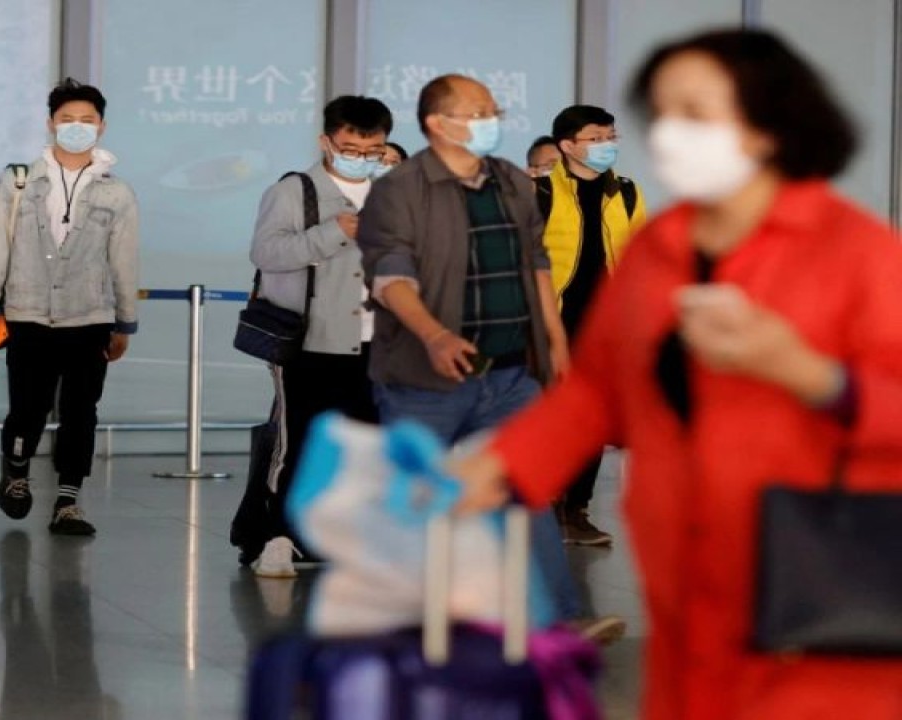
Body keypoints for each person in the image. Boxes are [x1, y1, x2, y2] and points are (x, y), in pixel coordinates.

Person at [453, 29, 902, 719]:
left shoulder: (859, 252)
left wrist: (808, 374)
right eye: (662, 113)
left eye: (697, 112)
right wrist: (502, 467)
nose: (670, 133)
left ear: (772, 123)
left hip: (815, 589)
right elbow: (599, 389)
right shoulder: (660, 248)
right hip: (684, 584)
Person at [357, 74, 625, 640]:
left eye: (493, 111)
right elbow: (390, 274)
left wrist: (555, 340)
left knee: (525, 491)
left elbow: (536, 261)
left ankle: (558, 621)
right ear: (437, 124)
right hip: (424, 377)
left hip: (508, 374)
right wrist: (434, 335)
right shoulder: (399, 189)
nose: (490, 121)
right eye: (476, 112)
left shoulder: (509, 180)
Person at [0, 78, 139, 536]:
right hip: (28, 313)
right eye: (67, 119)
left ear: (101, 126)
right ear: (50, 124)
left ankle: (68, 500)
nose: (76, 127)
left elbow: (124, 259)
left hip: (90, 315)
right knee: (28, 407)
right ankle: (16, 469)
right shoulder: (17, 182)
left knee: (82, 410)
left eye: (86, 120)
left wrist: (124, 322)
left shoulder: (117, 192)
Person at [235, 95, 393, 578]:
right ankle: (277, 538)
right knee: (297, 443)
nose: (361, 158)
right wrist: (334, 232)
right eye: (350, 148)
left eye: (373, 149)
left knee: (369, 448)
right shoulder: (295, 191)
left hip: (378, 343)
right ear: (327, 141)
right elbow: (266, 252)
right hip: (309, 342)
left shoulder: (393, 193)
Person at [540, 105, 646, 546]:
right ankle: (544, 505)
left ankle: (575, 510)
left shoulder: (626, 192)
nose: (607, 146)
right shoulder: (540, 191)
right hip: (552, 321)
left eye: (610, 137)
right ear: (567, 145)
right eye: (595, 138)